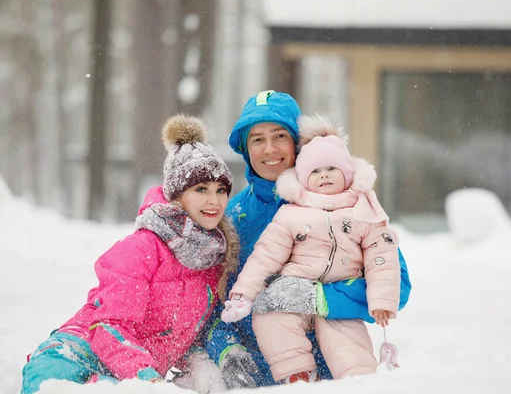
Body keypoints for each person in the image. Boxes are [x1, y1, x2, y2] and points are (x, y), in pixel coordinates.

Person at [204, 90, 412, 389]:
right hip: (258, 380)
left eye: (279, 136)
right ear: (245, 149)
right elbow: (208, 301)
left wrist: (321, 298)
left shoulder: (346, 203)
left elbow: (398, 285)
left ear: (298, 143)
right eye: (257, 139)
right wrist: (227, 350)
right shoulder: (232, 214)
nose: (269, 149)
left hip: (333, 376)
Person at [20, 115, 239, 394]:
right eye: (201, 189)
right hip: (76, 356)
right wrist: (148, 382)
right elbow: (109, 326)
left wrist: (200, 367)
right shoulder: (141, 249)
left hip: (129, 374)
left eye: (221, 190)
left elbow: (182, 335)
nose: (214, 201)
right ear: (176, 195)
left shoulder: (213, 258)